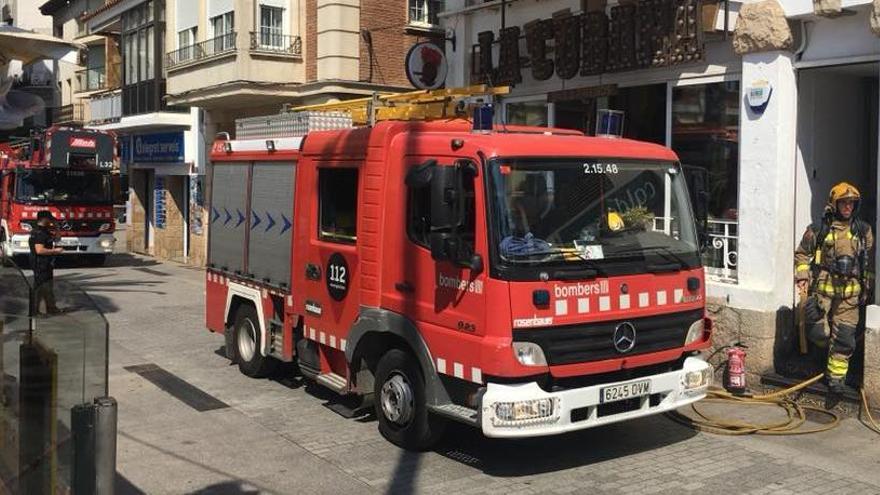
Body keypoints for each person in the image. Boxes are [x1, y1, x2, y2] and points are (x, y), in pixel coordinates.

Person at [794, 182, 873, 404]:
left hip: (850, 295)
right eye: (843, 202)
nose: (848, 206)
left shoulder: (863, 231)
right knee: (818, 332)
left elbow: (866, 262)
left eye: (851, 203)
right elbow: (801, 254)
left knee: (845, 339)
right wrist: (802, 275)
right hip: (823, 292)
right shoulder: (819, 230)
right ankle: (823, 351)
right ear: (834, 203)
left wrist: (868, 287)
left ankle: (836, 379)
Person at [29, 210, 63, 315]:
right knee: (39, 288)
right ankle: (34, 311)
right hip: (40, 264)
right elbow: (39, 250)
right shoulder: (39, 233)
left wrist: (57, 227)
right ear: (43, 219)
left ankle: (51, 308)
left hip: (46, 264)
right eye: (50, 219)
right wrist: (55, 251)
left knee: (48, 286)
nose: (51, 221)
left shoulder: (45, 231)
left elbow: (57, 239)